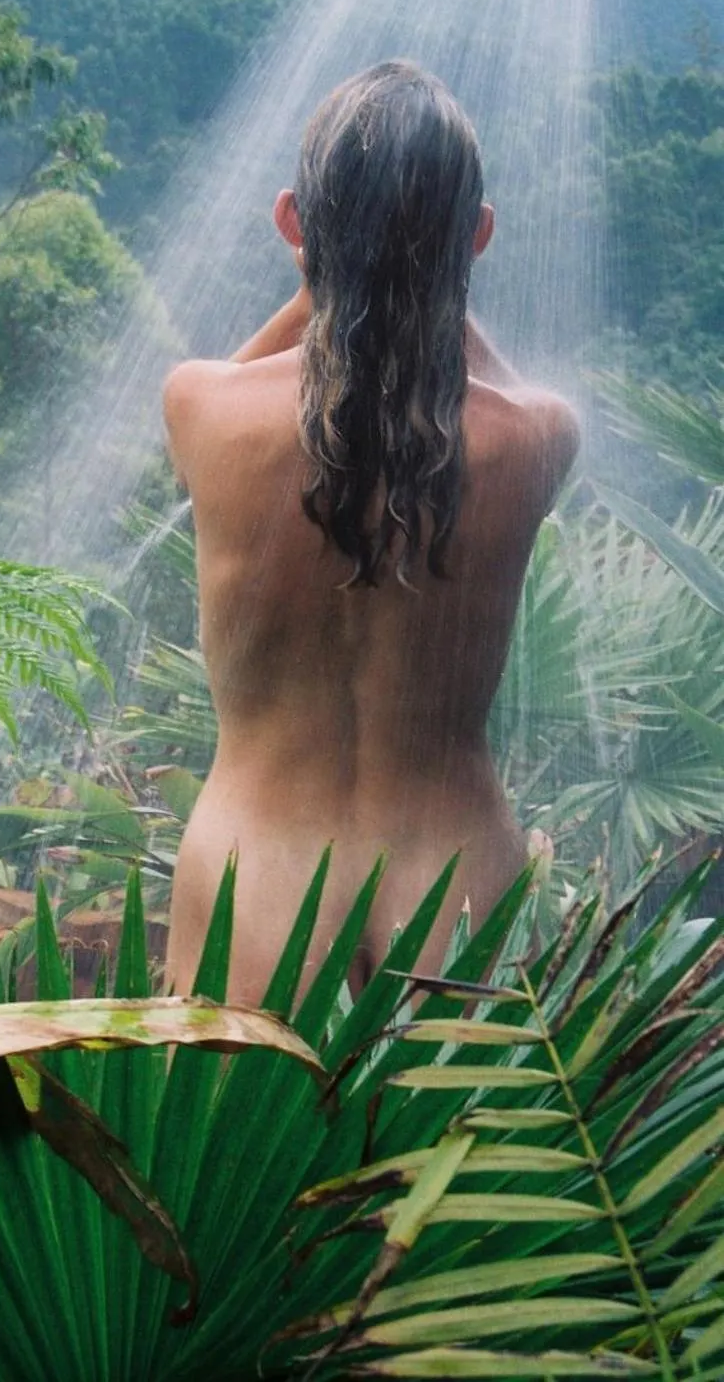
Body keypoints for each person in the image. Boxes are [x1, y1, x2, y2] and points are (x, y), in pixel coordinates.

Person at [162, 60, 578, 1004]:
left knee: (236, 1112)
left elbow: (221, 406)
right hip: (452, 887)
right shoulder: (537, 437)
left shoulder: (203, 410)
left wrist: (331, 281)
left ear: (292, 223)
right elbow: (498, 383)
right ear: (477, 237)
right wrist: (426, 285)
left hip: (252, 886)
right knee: (465, 1116)